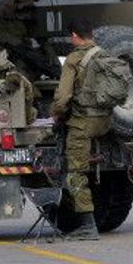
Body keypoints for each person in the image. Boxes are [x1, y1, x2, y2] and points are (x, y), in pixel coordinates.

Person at [50, 18, 112, 241]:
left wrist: (56, 113)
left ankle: (87, 225)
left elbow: (64, 96)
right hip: (106, 122)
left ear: (74, 36)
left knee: (75, 173)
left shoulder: (74, 59)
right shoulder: (106, 55)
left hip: (82, 124)